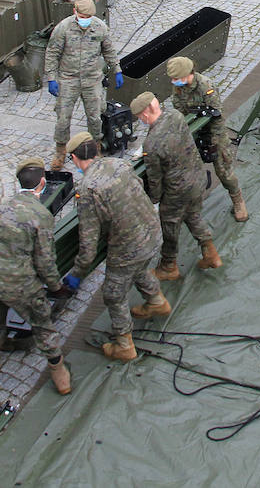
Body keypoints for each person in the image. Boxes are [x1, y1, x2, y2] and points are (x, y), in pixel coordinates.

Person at [63, 132, 168, 362]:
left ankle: (124, 345)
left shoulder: (88, 189)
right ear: (96, 149)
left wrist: (77, 274)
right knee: (140, 270)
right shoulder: (120, 164)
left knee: (113, 293)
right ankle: (157, 302)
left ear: (74, 157)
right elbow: (140, 188)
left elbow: (88, 245)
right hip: (153, 232)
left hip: (129, 248)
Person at [0, 158, 74, 394]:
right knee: (43, 326)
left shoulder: (4, 208)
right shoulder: (41, 215)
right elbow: (45, 260)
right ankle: (57, 369)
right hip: (21, 285)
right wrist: (55, 287)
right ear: (42, 183)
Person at [130, 91, 222, 281]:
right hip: (197, 179)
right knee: (193, 215)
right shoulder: (175, 115)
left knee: (169, 226)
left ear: (145, 115)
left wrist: (155, 202)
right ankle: (210, 252)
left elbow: (155, 180)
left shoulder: (152, 145)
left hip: (177, 191)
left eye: (139, 117)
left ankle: (168, 266)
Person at [45, 0, 123, 170]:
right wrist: (51, 78)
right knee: (63, 117)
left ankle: (95, 148)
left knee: (95, 117)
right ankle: (60, 151)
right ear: (75, 11)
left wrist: (117, 69)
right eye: (83, 16)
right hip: (68, 79)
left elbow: (108, 50)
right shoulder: (63, 28)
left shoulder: (100, 28)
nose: (86, 20)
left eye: (88, 17)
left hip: (92, 78)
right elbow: (52, 53)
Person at [166, 56, 248, 222]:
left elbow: (216, 115)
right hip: (193, 133)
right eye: (173, 79)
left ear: (187, 74)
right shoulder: (179, 89)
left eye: (176, 78)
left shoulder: (205, 86)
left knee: (224, 171)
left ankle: (238, 199)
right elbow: (180, 113)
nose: (174, 82)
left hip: (213, 133)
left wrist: (214, 142)